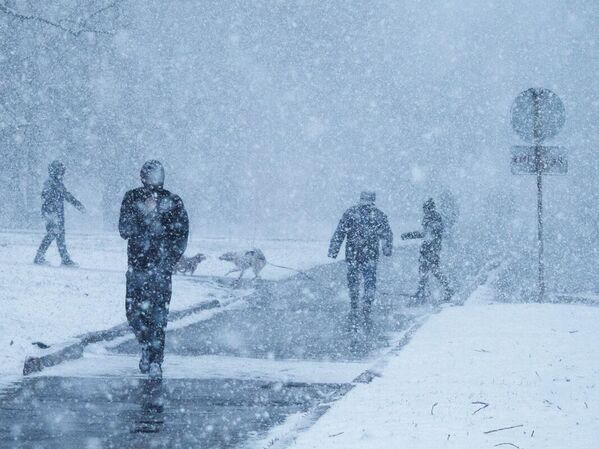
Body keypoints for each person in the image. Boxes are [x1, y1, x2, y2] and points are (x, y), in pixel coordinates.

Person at [119, 160, 189, 378]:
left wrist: (170, 259)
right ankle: (147, 348)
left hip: (160, 268)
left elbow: (181, 232)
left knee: (158, 315)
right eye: (150, 175)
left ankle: (155, 361)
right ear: (142, 177)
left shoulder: (173, 200)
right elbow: (124, 229)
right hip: (137, 266)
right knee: (133, 313)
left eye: (157, 174)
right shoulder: (132, 198)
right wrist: (144, 217)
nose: (154, 179)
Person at [328, 191, 393, 323]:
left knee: (353, 280)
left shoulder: (351, 213)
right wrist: (386, 249)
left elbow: (340, 232)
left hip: (353, 254)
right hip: (370, 255)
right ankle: (366, 307)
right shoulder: (378, 215)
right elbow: (387, 234)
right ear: (373, 200)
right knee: (369, 281)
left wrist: (334, 250)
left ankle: (354, 305)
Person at [401, 198, 454, 302]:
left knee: (431, 270)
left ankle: (446, 289)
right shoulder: (432, 217)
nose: (424, 211)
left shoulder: (433, 217)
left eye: (425, 208)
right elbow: (428, 233)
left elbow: (426, 233)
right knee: (426, 269)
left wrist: (409, 235)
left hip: (431, 248)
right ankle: (422, 291)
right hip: (430, 248)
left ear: (428, 208)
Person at [34, 160, 85, 266]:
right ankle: (41, 257)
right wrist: (51, 212)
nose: (62, 173)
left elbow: (66, 195)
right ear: (55, 171)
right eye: (60, 171)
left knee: (58, 235)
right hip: (52, 214)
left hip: (56, 213)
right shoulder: (50, 183)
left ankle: (63, 258)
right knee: (53, 234)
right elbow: (47, 198)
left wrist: (78, 205)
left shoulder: (57, 183)